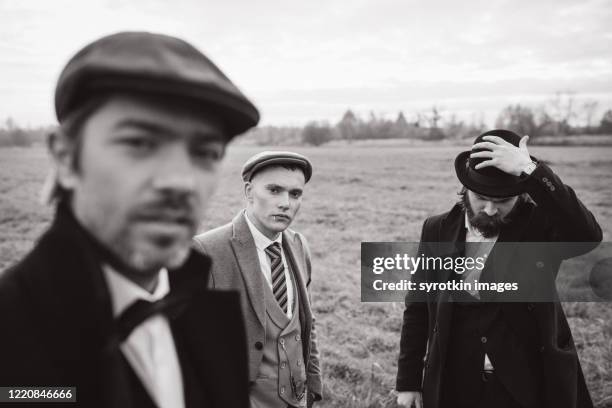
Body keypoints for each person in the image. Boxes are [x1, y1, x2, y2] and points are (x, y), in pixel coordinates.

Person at [0, 31, 260, 408]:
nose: (181, 182)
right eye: (139, 142)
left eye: (205, 152)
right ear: (66, 158)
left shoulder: (212, 312)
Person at [395, 129, 602, 408]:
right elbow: (418, 305)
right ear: (466, 188)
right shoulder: (437, 229)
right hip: (454, 384)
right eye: (481, 198)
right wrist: (408, 381)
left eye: (503, 201)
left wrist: (532, 170)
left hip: (530, 383)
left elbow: (586, 236)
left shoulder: (538, 227)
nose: (490, 210)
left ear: (521, 195)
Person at [193, 151, 323, 408]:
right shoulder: (206, 251)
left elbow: (306, 323)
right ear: (250, 192)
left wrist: (314, 385)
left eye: (295, 194)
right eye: (274, 190)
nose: (285, 203)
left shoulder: (299, 245)